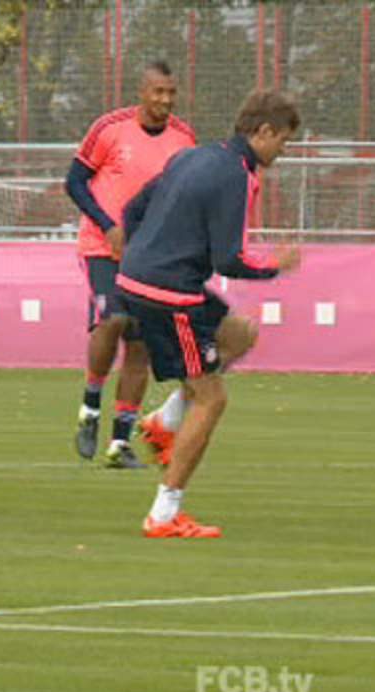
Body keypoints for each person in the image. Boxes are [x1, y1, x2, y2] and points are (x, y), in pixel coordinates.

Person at [117, 90, 301, 538]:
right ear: (263, 132)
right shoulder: (239, 175)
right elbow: (229, 260)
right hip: (169, 293)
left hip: (141, 279)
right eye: (284, 140)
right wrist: (275, 266)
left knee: (239, 334)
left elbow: (131, 210)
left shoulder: (192, 156)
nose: (283, 150)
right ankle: (163, 514)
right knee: (212, 398)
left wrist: (142, 256)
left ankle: (164, 422)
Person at [66, 60, 197, 469]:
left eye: (171, 93)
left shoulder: (184, 139)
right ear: (142, 92)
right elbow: (74, 182)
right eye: (158, 91)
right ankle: (90, 407)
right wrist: (108, 227)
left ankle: (119, 443)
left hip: (149, 256)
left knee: (140, 345)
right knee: (113, 320)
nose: (165, 100)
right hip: (102, 247)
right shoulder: (110, 128)